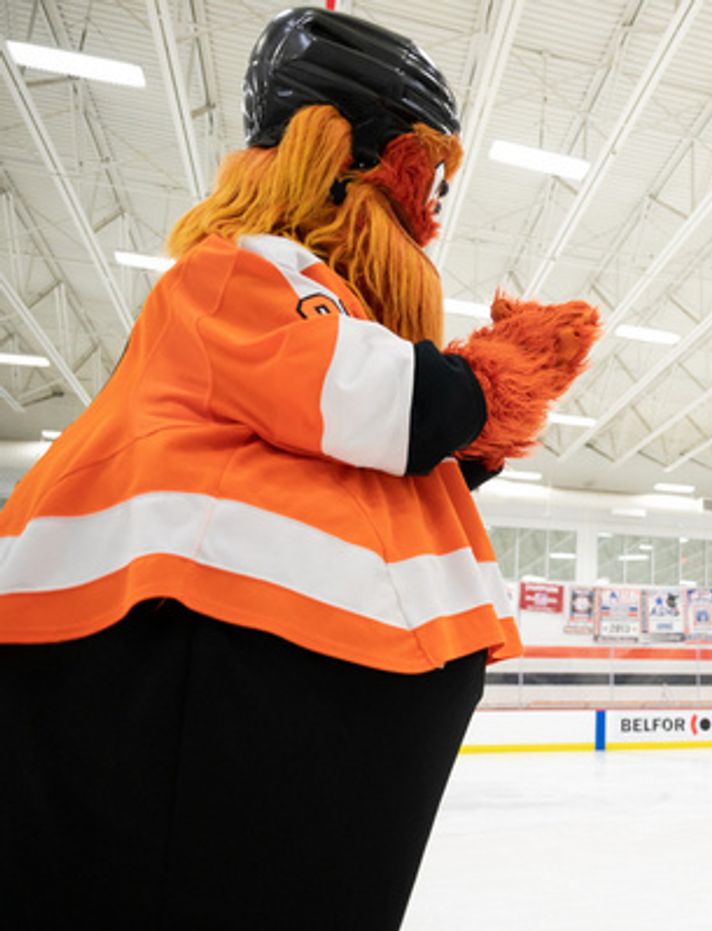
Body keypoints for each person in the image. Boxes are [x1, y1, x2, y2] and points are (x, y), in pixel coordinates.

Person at [0, 8, 599, 930]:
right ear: (346, 152)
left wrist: (470, 429)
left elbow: (396, 449)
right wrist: (492, 377)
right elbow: (383, 406)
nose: (435, 210)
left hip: (289, 684)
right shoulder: (245, 269)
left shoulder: (345, 310)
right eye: (429, 172)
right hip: (202, 663)